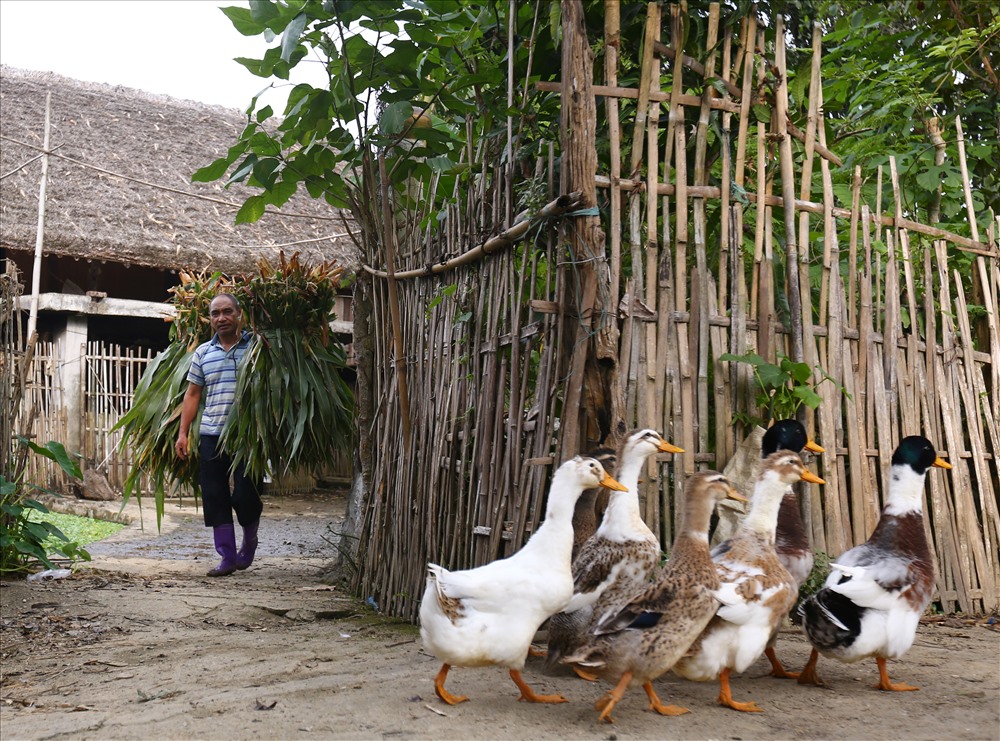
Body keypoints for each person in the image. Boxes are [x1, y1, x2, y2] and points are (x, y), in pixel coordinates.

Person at [175, 293, 262, 577]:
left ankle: (249, 543)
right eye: (215, 313)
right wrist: (183, 433)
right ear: (210, 319)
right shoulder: (203, 353)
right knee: (214, 494)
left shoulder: (257, 347)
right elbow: (193, 394)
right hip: (212, 432)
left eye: (227, 312)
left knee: (247, 494)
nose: (221, 318)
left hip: (247, 434)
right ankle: (226, 556)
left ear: (239, 314)